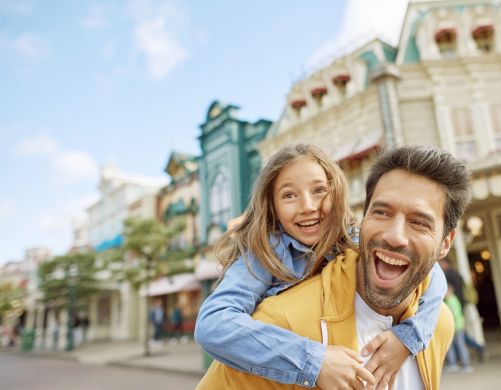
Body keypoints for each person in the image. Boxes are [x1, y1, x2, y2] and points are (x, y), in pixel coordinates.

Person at [196, 144, 472, 389]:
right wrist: (315, 362)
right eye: (289, 195)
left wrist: (408, 338)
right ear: (273, 207)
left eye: (319, 191)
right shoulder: (265, 253)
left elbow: (431, 273)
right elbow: (212, 324)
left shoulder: (353, 238)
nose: (308, 206)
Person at [444, 284, 473, 373]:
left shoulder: (450, 300)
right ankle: (458, 364)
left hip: (456, 326)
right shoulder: (454, 299)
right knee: (456, 345)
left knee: (458, 345)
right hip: (459, 325)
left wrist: (453, 327)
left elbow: (453, 314)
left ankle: (464, 364)